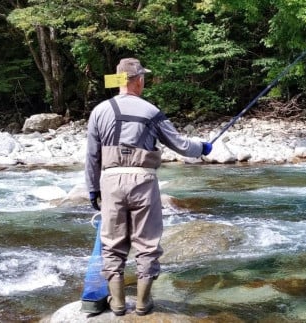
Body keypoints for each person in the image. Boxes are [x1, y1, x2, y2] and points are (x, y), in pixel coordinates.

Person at [84, 57, 212, 316]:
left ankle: (118, 304)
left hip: (110, 181)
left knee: (112, 243)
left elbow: (92, 157)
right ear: (138, 80)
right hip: (143, 180)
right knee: (147, 243)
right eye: (144, 78)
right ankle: (143, 303)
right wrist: (204, 148)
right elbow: (182, 146)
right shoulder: (151, 111)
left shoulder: (99, 111)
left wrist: (92, 191)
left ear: (120, 80)